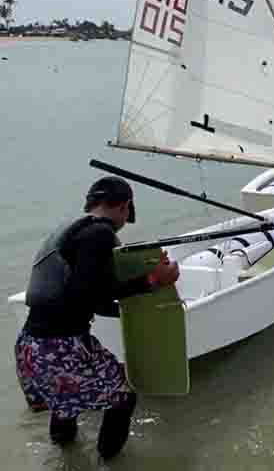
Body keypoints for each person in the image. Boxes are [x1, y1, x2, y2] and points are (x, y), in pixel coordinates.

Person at [15, 176, 179, 460]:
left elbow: (94, 301)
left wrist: (133, 311)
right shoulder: (100, 235)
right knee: (123, 397)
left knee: (65, 404)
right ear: (124, 207)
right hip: (60, 347)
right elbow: (88, 296)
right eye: (127, 214)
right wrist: (152, 281)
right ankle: (109, 462)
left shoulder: (72, 230)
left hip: (33, 346)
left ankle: (64, 459)